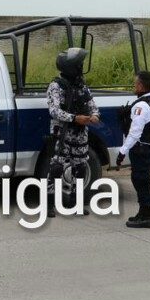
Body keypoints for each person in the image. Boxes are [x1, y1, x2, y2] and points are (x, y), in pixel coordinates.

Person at [46, 47, 101, 216]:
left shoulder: (82, 86)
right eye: (79, 65)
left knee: (80, 168)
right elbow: (54, 111)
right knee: (56, 168)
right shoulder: (56, 86)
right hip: (62, 134)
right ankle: (48, 204)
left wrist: (94, 116)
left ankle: (74, 203)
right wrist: (74, 118)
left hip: (80, 134)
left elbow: (92, 105)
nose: (81, 68)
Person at [116, 71, 150, 228]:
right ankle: (143, 213)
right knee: (141, 180)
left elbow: (135, 132)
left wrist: (122, 151)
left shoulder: (141, 105)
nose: (134, 86)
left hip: (142, 149)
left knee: (141, 181)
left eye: (135, 83)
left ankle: (147, 217)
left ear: (140, 85)